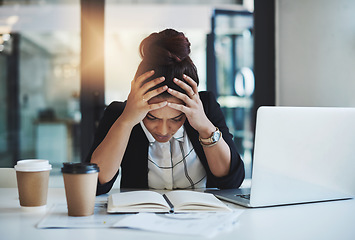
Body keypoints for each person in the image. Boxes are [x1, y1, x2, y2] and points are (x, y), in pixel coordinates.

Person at [86, 29, 245, 195]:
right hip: (140, 217)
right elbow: (95, 185)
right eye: (152, 117)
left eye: (176, 119)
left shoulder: (204, 108)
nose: (162, 131)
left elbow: (232, 182)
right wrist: (125, 122)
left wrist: (205, 127)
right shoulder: (120, 115)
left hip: (200, 216)